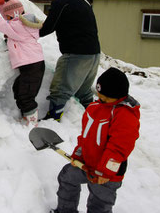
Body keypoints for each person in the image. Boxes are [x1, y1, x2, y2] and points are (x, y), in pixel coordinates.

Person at [52, 67, 140, 213]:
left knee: (99, 204)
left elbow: (119, 148)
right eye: (100, 95)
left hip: (108, 173)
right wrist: (78, 155)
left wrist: (104, 172)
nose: (102, 99)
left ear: (119, 96)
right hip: (87, 163)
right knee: (67, 178)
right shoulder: (95, 108)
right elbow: (86, 137)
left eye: (107, 97)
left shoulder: (125, 115)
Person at [31, 0, 100, 121]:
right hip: (94, 54)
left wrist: (24, 35)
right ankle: (96, 119)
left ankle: (53, 119)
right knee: (84, 92)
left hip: (76, 53)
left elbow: (48, 27)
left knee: (60, 88)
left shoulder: (62, 1)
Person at [0, 0, 45, 125]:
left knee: (25, 94)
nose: (6, 19)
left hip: (32, 65)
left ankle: (31, 122)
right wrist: (2, 6)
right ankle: (26, 115)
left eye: (7, 16)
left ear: (11, 16)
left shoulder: (17, 26)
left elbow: (2, 24)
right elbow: (8, 19)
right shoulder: (21, 23)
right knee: (18, 88)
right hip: (32, 65)